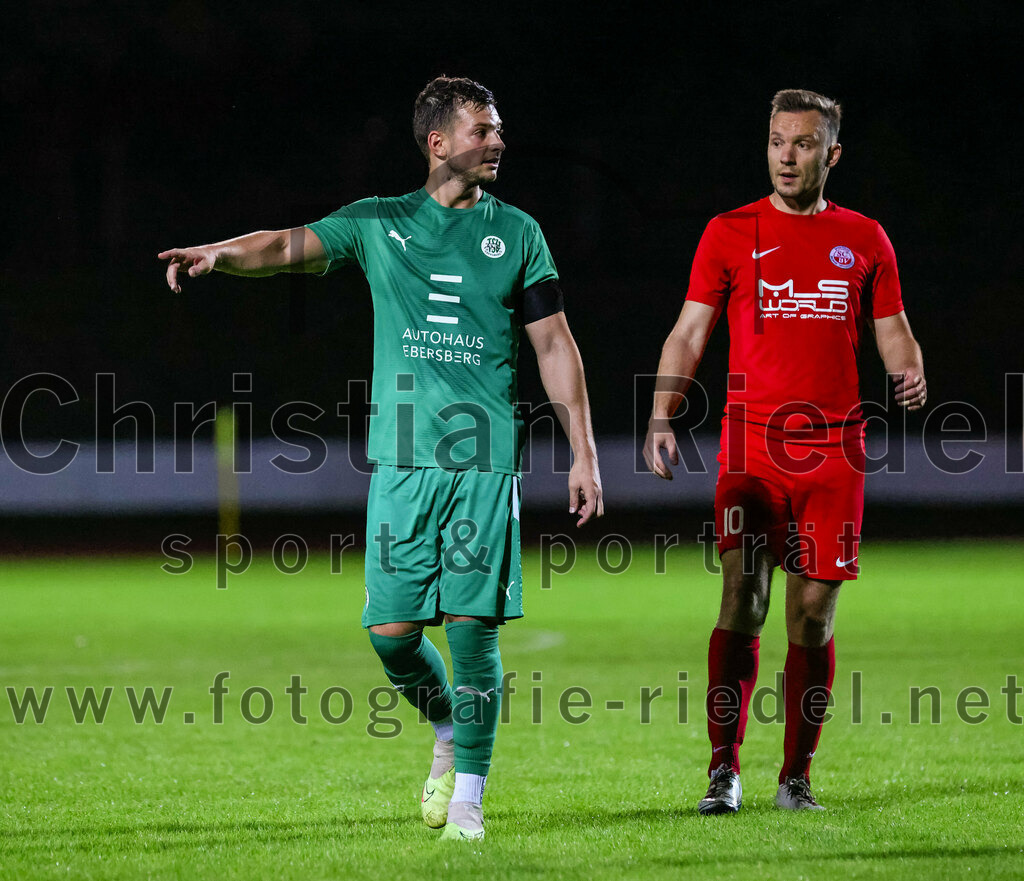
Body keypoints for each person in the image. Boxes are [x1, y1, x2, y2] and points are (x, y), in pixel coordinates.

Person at [159, 76, 603, 840]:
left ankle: (468, 798)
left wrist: (582, 452)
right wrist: (221, 254)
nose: (497, 141)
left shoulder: (519, 233)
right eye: (482, 129)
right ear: (438, 141)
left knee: (473, 630)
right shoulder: (378, 222)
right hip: (402, 460)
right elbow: (287, 244)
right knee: (391, 635)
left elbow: (555, 345)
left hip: (483, 459)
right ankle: (447, 726)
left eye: (498, 129)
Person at [643, 89, 925, 813]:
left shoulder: (865, 237)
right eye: (777, 142)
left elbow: (892, 327)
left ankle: (795, 776)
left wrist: (908, 367)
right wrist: (662, 412)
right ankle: (723, 770)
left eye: (802, 144)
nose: (786, 156)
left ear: (832, 154)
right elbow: (689, 331)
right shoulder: (730, 231)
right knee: (743, 593)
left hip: (835, 451)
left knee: (813, 613)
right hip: (752, 445)